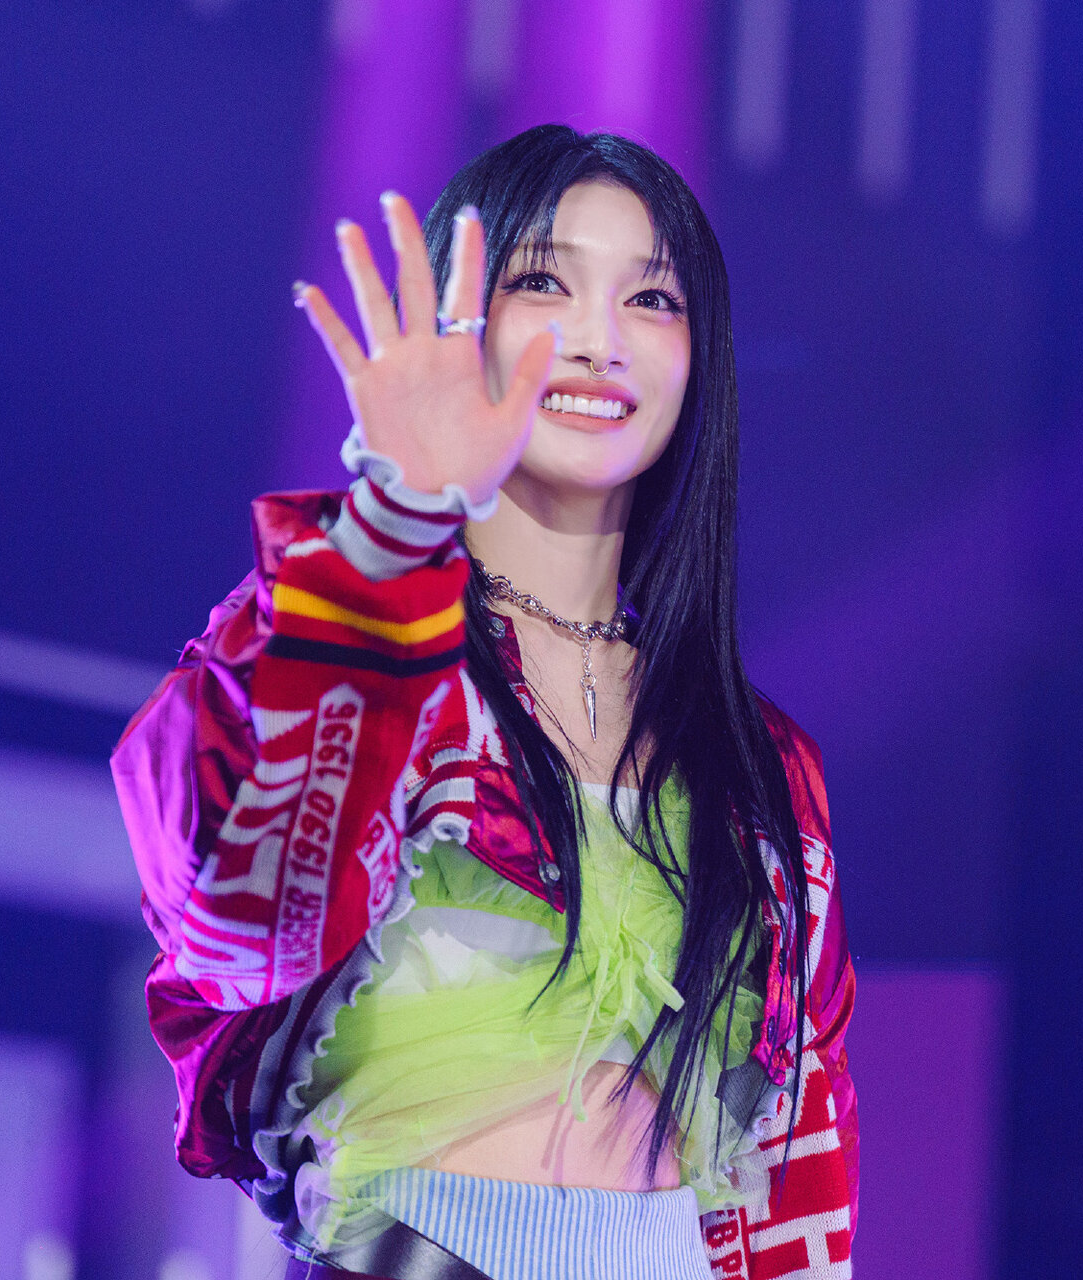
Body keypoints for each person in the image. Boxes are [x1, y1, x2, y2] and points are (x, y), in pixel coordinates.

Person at [115, 125, 856, 1280]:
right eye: (545, 283)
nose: (599, 339)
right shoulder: (344, 635)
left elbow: (806, 1150)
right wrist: (396, 522)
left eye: (652, 298)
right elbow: (235, 929)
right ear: (462, 324)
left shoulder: (761, 762)